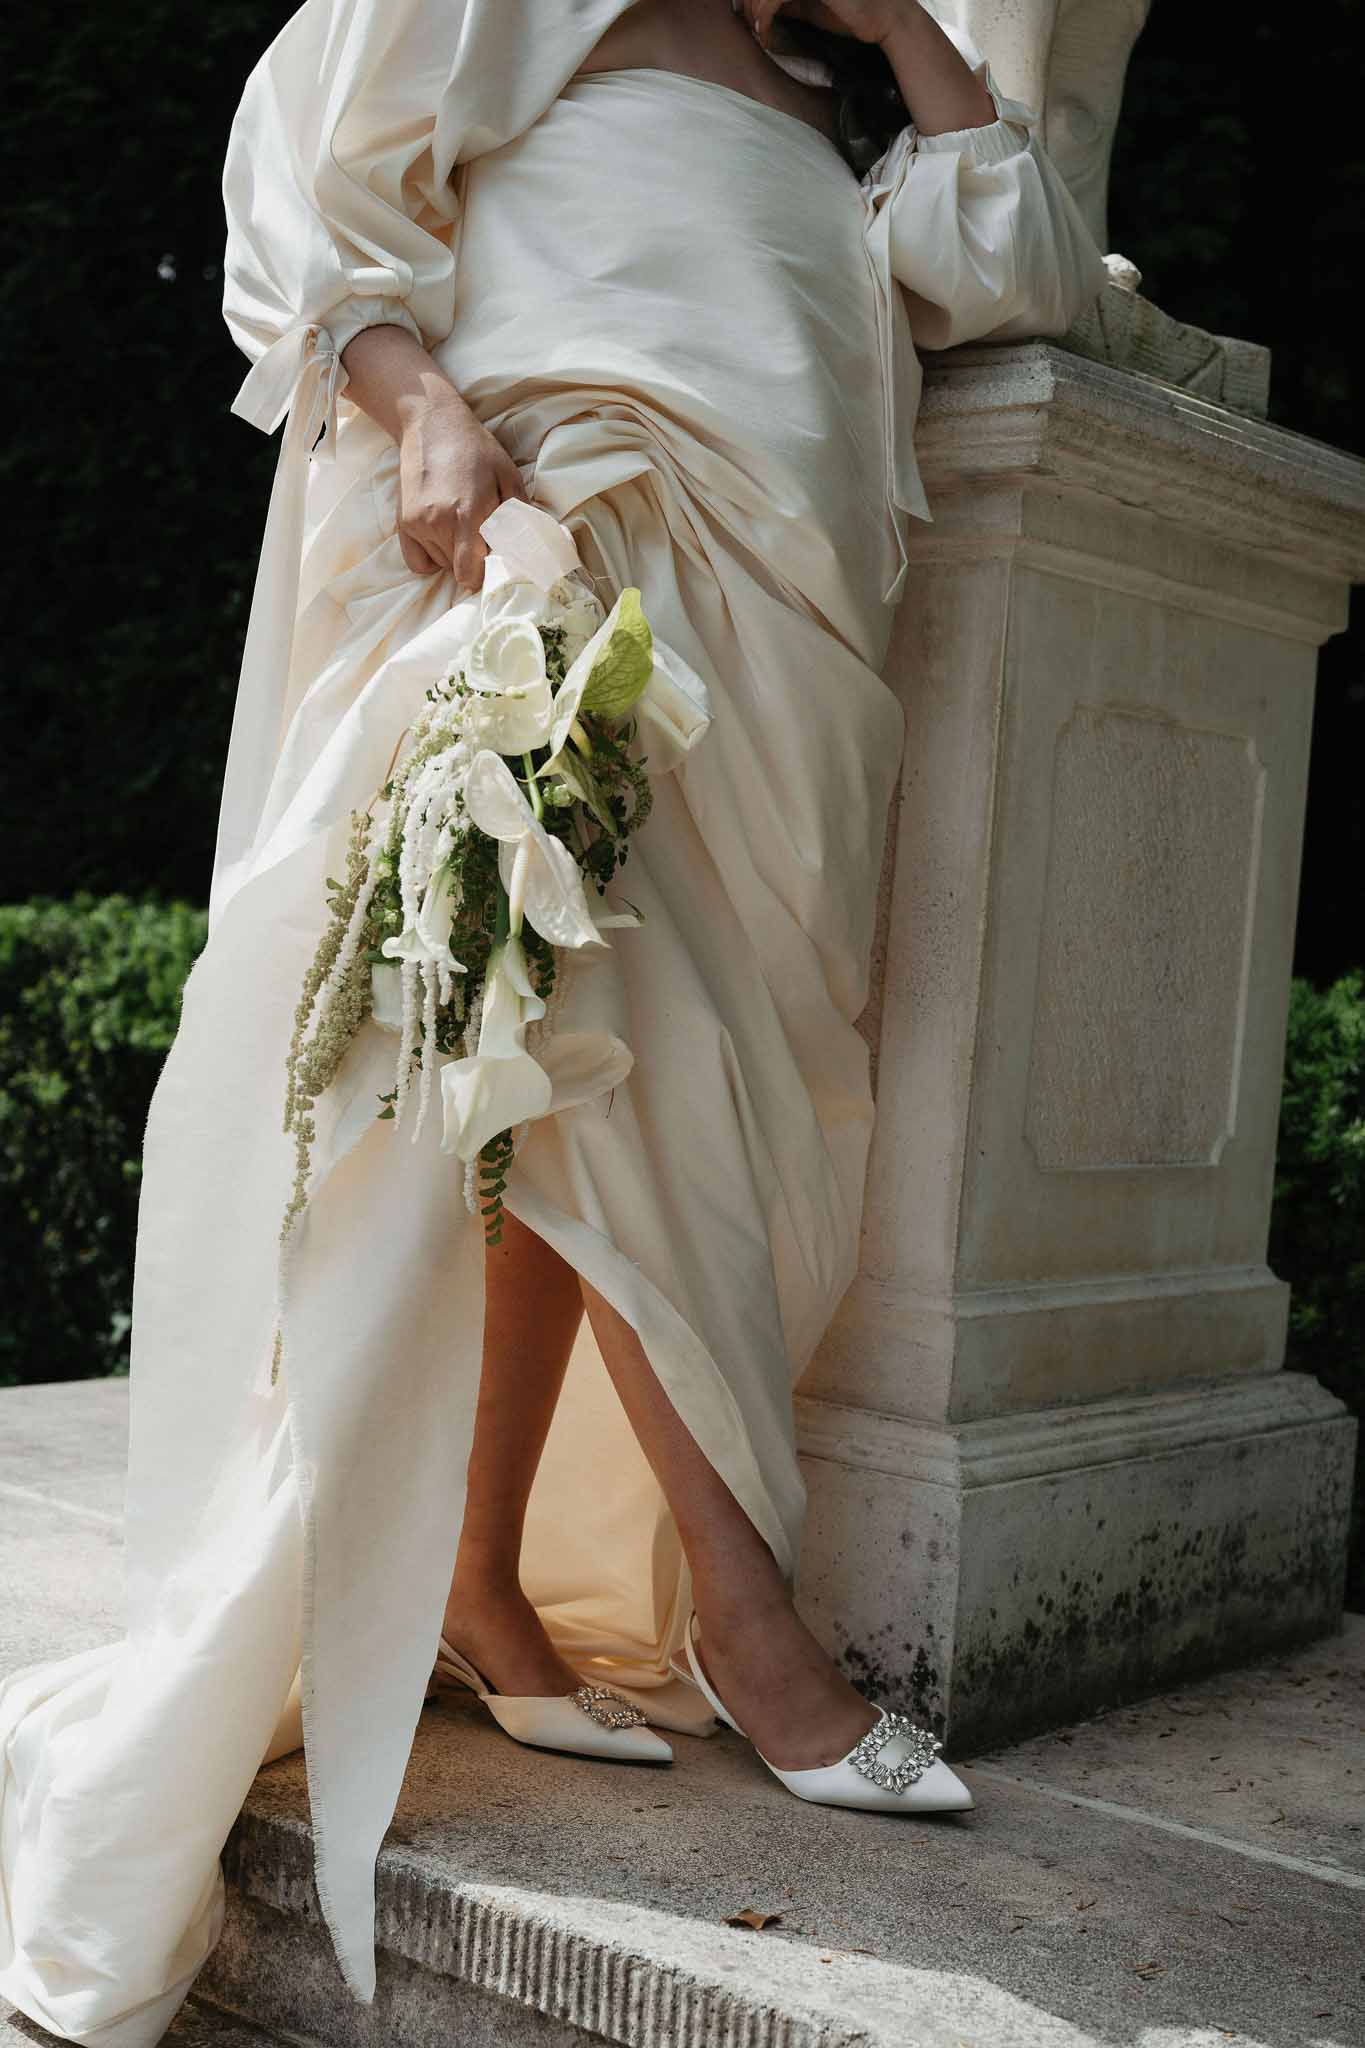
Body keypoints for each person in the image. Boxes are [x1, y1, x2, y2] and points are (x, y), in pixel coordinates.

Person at [0, 1, 1107, 2040]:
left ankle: (479, 1579)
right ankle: (755, 1632)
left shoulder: (834, 93)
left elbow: (1017, 264)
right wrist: (419, 407)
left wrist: (898, 40)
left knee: (567, 1085)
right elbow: (315, 178)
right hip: (574, 532)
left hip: (794, 628)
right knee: (620, 1038)